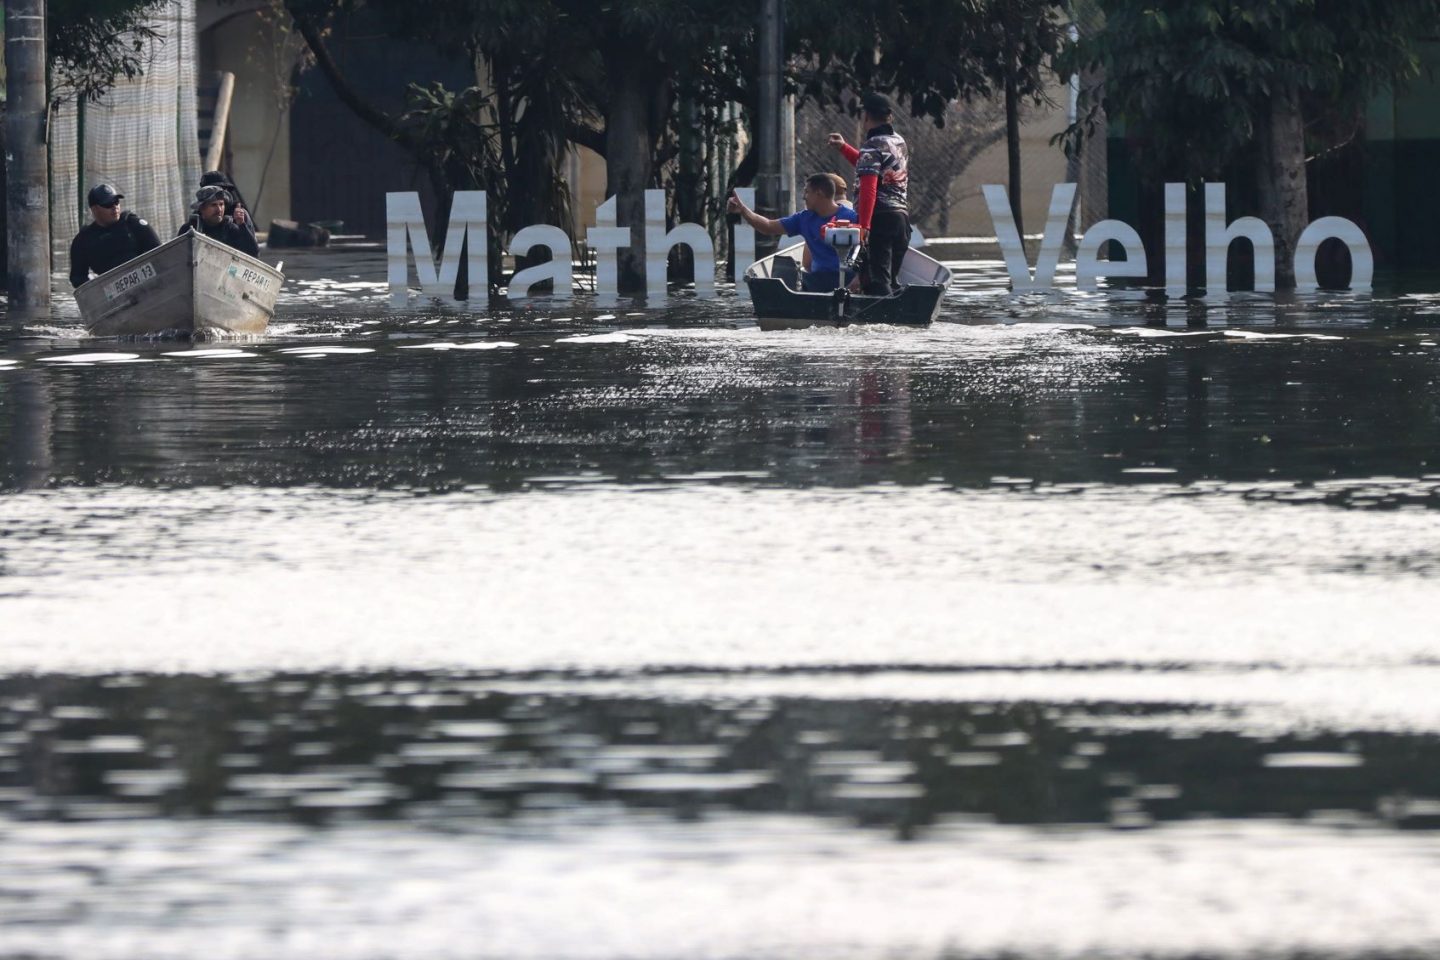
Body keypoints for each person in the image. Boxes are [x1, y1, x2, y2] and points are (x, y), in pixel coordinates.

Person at [828, 91, 910, 295]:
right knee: (891, 281)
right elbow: (872, 169)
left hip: (879, 219)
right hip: (901, 220)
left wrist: (864, 225)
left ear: (865, 116)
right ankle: (900, 319)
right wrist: (844, 148)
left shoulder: (871, 146)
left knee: (876, 283)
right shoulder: (898, 142)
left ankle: (881, 323)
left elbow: (869, 186)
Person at [728, 173, 859, 292]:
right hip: (817, 281)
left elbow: (870, 253)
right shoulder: (803, 218)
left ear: (819, 193)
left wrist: (859, 279)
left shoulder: (853, 218)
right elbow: (768, 226)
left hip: (848, 281)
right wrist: (743, 211)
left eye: (807, 192)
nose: (803, 197)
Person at [68, 184, 163, 288]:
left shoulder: (134, 225)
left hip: (149, 283)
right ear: (95, 209)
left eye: (116, 202)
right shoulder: (83, 240)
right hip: (111, 294)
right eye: (108, 204)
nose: (115, 207)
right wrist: (96, 286)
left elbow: (160, 254)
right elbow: (77, 278)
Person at [179, 184, 260, 256]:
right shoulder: (188, 229)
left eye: (221, 204)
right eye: (213, 205)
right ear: (202, 208)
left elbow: (253, 253)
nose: (219, 209)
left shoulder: (230, 229)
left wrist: (242, 225)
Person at [198, 170, 256, 243]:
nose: (217, 194)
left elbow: (251, 250)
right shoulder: (197, 217)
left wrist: (241, 224)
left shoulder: (239, 215)